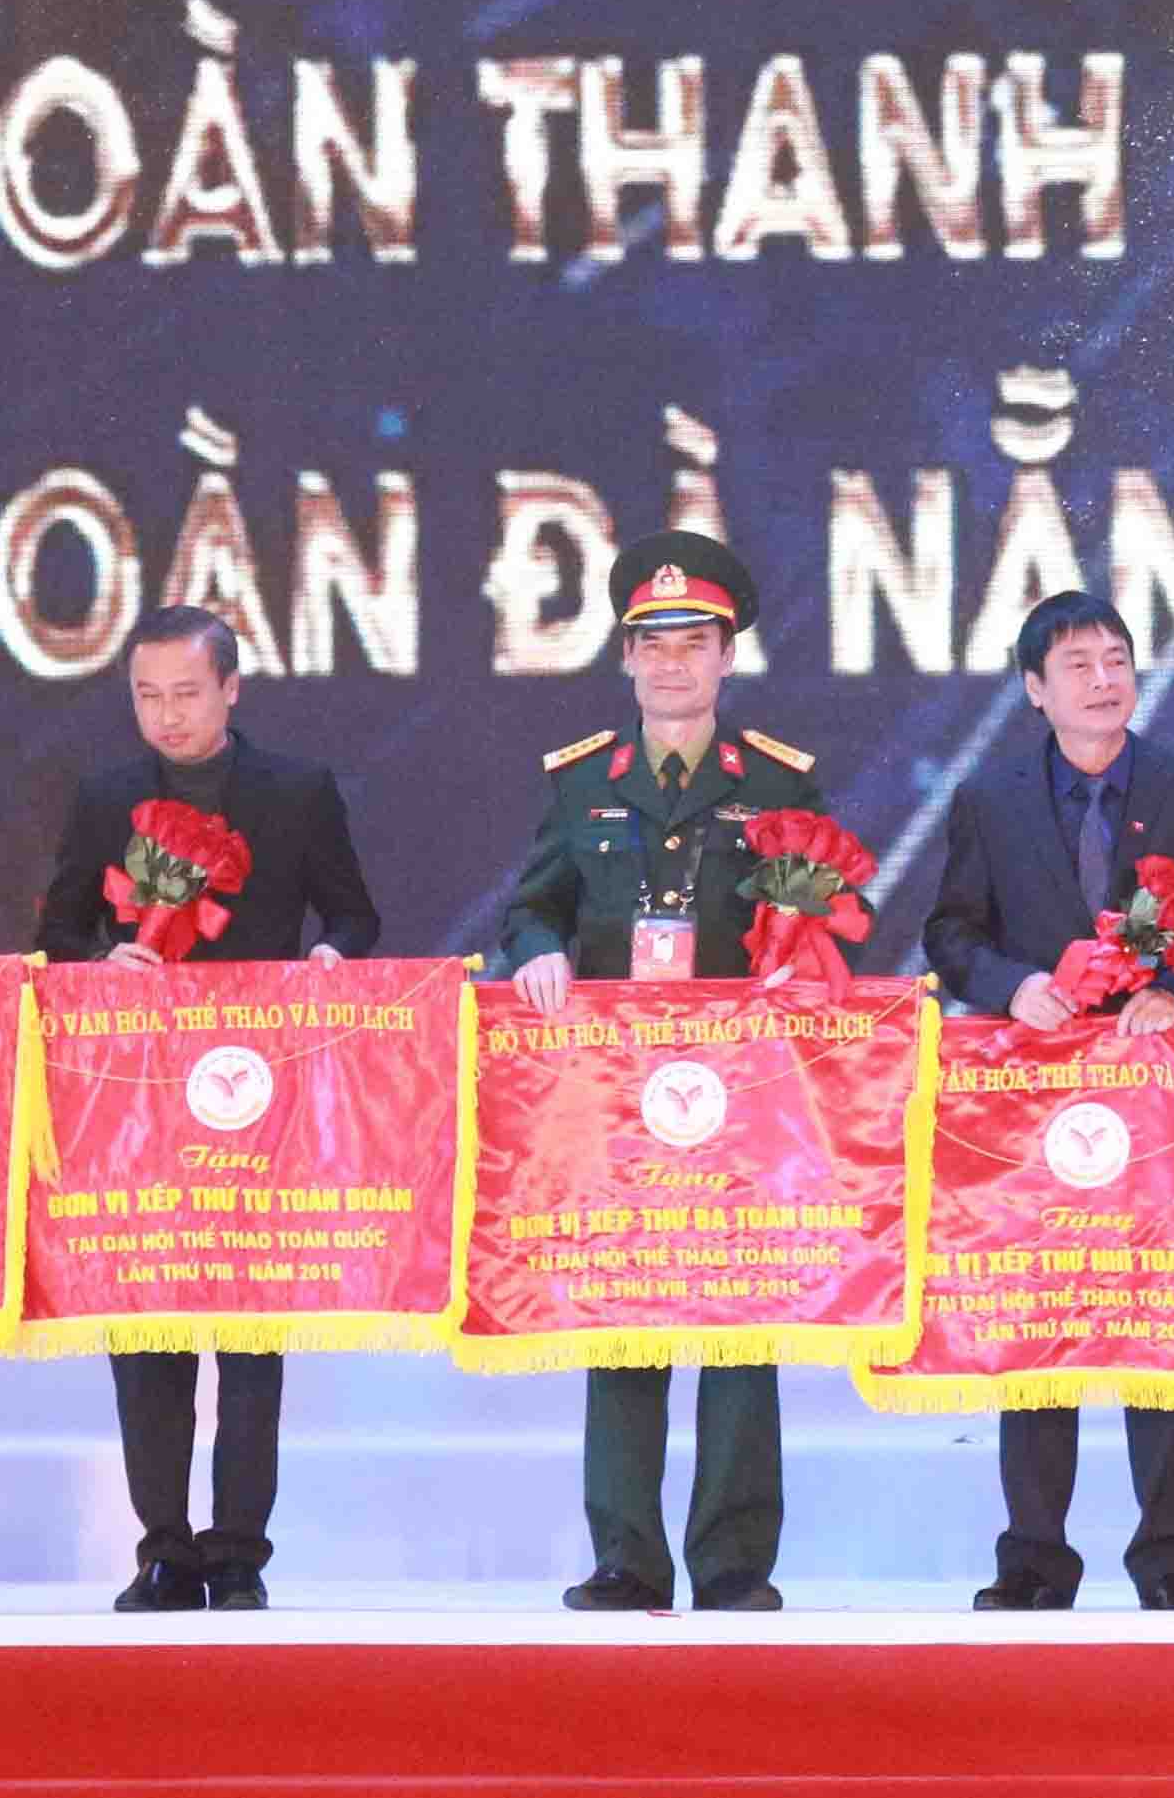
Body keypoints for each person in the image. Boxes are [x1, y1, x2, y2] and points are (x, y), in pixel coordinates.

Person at [24, 603, 384, 1615]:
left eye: (187, 692)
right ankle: (164, 1551)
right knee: (146, 1327)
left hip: (256, 1098)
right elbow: (58, 929)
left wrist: (330, 956)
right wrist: (105, 959)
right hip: (137, 1102)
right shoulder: (106, 795)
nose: (169, 715)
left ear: (231, 689)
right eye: (148, 695)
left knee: (250, 1331)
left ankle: (239, 1554)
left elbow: (353, 910)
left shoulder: (296, 791)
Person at [913, 590, 1174, 1611]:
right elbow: (950, 932)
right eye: (1077, 665)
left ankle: (1172, 1559)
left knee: (1164, 1318)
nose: (1103, 679)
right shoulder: (991, 798)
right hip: (1040, 1097)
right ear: (1035, 689)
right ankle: (1032, 1557)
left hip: (1156, 1098)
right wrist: (1013, 985)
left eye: (1116, 659)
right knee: (1042, 1318)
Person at [488, 529, 819, 1615]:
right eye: (652, 643)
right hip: (614, 1094)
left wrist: (798, 958)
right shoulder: (585, 781)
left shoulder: (776, 779)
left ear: (729, 656)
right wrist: (532, 950)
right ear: (625, 657)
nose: (672, 662)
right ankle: (627, 1556)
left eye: (694, 641)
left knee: (738, 1322)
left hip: (740, 1100)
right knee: (621, 1309)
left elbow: (821, 916)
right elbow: (533, 903)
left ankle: (732, 1561)